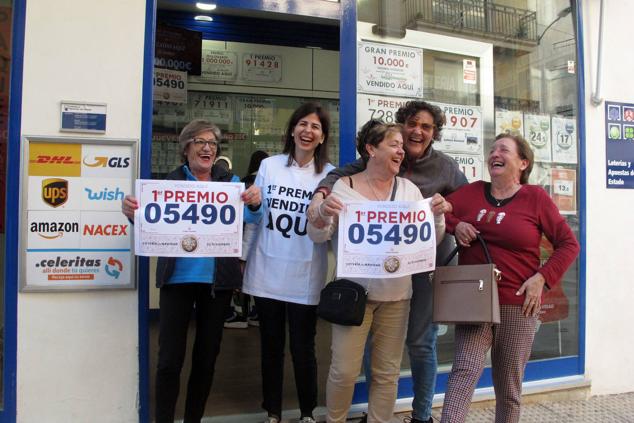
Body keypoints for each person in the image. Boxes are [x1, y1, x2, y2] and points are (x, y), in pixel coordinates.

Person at [308, 101, 468, 423]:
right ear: (371, 149)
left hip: (403, 290)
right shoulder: (346, 184)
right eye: (394, 144)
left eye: (401, 147)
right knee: (345, 370)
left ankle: (401, 417)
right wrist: (322, 209)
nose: (402, 149)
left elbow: (435, 234)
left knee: (396, 365)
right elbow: (319, 231)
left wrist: (440, 216)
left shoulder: (418, 184)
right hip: (355, 294)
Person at [121, 119, 262, 423]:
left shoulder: (231, 182)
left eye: (212, 143)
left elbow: (255, 217)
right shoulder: (167, 184)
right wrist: (132, 214)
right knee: (169, 361)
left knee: (206, 360)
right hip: (177, 281)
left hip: (218, 284)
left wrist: (254, 202)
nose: (207, 147)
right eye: (199, 141)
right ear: (185, 148)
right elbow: (148, 223)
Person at [440, 133, 580, 423]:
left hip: (518, 302)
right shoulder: (472, 193)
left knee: (508, 387)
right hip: (474, 299)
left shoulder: (535, 198)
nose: (495, 154)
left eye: (503, 149)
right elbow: (438, 210)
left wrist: (542, 278)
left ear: (522, 162)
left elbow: (569, 244)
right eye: (492, 150)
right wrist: (457, 225)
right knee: (463, 372)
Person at [242, 103, 334, 423]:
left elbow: (330, 228)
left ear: (323, 137)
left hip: (304, 272)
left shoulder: (329, 174)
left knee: (303, 348)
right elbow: (255, 217)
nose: (308, 131)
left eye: (316, 127)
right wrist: (243, 256)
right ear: (292, 129)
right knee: (270, 346)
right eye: (303, 124)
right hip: (266, 268)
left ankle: (308, 412)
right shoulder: (270, 166)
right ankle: (273, 411)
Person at [225, 150, 269, 329]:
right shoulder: (267, 184)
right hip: (264, 242)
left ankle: (241, 314)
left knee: (241, 279)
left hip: (243, 238)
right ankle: (258, 314)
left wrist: (242, 253)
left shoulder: (244, 182)